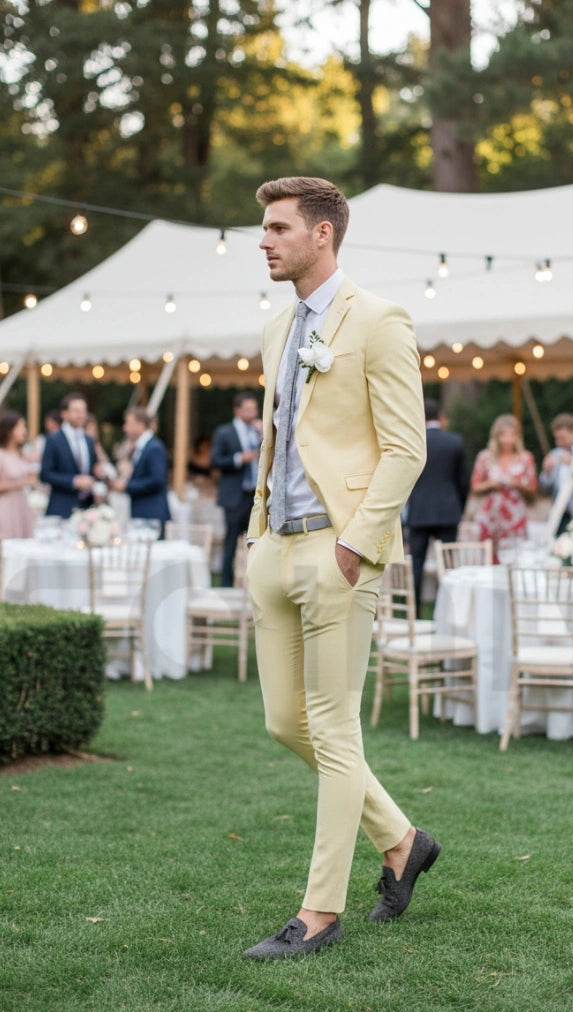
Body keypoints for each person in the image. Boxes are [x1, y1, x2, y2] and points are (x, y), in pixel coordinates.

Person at [242, 176, 439, 961]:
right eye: (264, 228)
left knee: (333, 726)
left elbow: (406, 447)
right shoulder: (275, 329)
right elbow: (278, 442)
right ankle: (401, 840)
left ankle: (319, 913)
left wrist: (354, 544)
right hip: (275, 548)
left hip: (337, 551)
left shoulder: (381, 321)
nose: (264, 239)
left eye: (278, 227)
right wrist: (257, 535)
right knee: (285, 722)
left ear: (322, 234)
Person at [405, 397, 469, 611]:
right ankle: (448, 609)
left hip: (419, 511)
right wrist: (458, 507)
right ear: (440, 417)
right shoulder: (455, 441)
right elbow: (463, 482)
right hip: (448, 511)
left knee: (416, 564)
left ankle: (414, 609)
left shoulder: (413, 441)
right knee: (448, 565)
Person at [470, 413, 537, 561]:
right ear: (496, 437)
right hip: (490, 515)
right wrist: (491, 484)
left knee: (514, 557)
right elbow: (475, 487)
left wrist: (518, 485)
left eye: (511, 435)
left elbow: (533, 491)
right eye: (503, 435)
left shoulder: (526, 458)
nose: (507, 439)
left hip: (515, 516)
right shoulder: (485, 457)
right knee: (488, 557)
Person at [210, 393, 261, 586]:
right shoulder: (225, 432)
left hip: (255, 496)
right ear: (237, 410)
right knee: (231, 541)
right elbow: (215, 461)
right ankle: (226, 584)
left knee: (257, 542)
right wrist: (239, 458)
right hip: (235, 496)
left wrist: (263, 433)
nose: (253, 413)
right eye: (248, 409)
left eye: (254, 409)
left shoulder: (259, 431)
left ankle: (253, 583)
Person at [40, 392, 98, 517]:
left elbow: (92, 470)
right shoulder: (53, 440)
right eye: (76, 411)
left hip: (88, 509)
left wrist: (98, 473)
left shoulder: (89, 440)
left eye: (83, 411)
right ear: (64, 414)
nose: (81, 415)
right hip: (62, 507)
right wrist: (73, 481)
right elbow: (45, 474)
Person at [109, 407, 170, 525]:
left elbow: (157, 480)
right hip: (142, 513)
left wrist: (127, 486)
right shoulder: (141, 447)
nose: (125, 428)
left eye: (128, 423)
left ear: (140, 425)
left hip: (152, 514)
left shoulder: (154, 448)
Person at [0, 411, 38, 538]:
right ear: (9, 430)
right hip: (6, 507)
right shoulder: (1, 455)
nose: (24, 431)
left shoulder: (20, 454)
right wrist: (23, 483)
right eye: (20, 427)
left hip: (21, 504)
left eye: (24, 427)